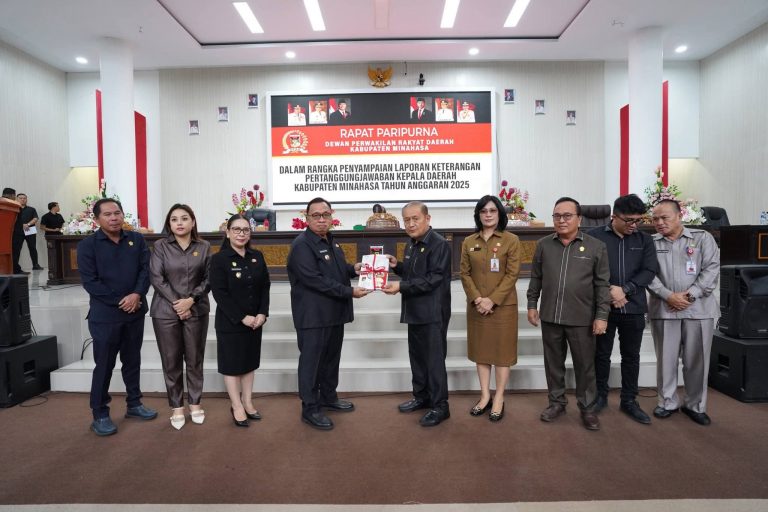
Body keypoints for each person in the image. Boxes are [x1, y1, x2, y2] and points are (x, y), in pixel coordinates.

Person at [526, 197, 610, 431]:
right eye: (557, 216)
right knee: (553, 364)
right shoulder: (544, 245)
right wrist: (532, 304)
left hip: (582, 318)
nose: (561, 220)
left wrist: (602, 315)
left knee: (585, 366)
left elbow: (602, 284)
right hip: (550, 316)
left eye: (567, 216)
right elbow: (536, 278)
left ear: (579, 219)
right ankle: (557, 403)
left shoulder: (596, 246)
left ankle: (587, 408)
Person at [77, 198, 157, 436]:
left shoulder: (136, 239)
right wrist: (122, 301)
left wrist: (136, 294)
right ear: (96, 219)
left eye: (117, 213)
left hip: (135, 312)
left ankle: (134, 404)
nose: (114, 218)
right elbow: (90, 282)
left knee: (132, 361)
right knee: (104, 365)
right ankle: (100, 413)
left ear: (123, 215)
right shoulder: (87, 246)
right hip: (105, 316)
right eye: (107, 214)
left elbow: (146, 270)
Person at [286, 197, 368, 430]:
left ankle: (329, 397)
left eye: (326, 215)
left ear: (332, 216)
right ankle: (310, 408)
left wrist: (353, 269)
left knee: (331, 359)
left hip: (333, 313)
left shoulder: (331, 241)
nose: (322, 219)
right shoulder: (302, 245)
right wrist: (349, 292)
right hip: (313, 317)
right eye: (316, 215)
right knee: (311, 363)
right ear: (307, 218)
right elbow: (316, 280)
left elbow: (335, 270)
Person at [648, 199, 720, 426]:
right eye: (655, 219)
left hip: (699, 310)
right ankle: (667, 402)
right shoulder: (650, 243)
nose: (659, 223)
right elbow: (646, 273)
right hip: (664, 308)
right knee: (666, 360)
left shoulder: (702, 238)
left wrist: (689, 296)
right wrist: (668, 295)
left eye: (664, 218)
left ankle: (695, 405)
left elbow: (711, 269)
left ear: (680, 216)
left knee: (697, 361)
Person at [588, 194, 659, 424]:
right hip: (603, 308)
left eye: (639, 220)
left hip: (634, 306)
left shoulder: (645, 240)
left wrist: (625, 290)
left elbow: (649, 270)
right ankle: (600, 396)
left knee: (631, 356)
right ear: (614, 217)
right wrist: (610, 290)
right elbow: (587, 270)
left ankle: (629, 400)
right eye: (629, 220)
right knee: (601, 354)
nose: (634, 225)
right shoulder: (594, 237)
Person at [382, 202, 452, 427]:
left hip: (432, 312)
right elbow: (414, 273)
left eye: (415, 219)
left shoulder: (439, 244)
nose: (411, 224)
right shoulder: (411, 244)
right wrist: (397, 266)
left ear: (427, 218)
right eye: (407, 220)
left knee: (433, 361)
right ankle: (422, 397)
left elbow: (433, 279)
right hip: (414, 310)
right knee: (418, 357)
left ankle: (440, 406)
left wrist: (400, 287)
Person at [150, 204, 211, 430]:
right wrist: (179, 304)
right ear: (169, 224)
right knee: (171, 361)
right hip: (165, 312)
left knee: (194, 359)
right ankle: (176, 407)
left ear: (192, 222)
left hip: (196, 310)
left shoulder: (204, 246)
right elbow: (157, 278)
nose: (179, 223)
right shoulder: (160, 246)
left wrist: (191, 300)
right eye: (174, 219)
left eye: (184, 218)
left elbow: (209, 278)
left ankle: (195, 404)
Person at [460, 195, 521, 422]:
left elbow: (512, 274)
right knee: (482, 352)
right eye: (483, 211)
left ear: (499, 214)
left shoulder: (511, 240)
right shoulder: (468, 242)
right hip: (477, 307)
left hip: (503, 307)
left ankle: (499, 397)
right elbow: (464, 273)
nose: (488, 215)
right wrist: (478, 299)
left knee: (502, 354)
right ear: (478, 215)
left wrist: (492, 300)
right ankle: (485, 395)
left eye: (492, 211)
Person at [209, 214, 270, 427]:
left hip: (255, 322)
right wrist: (242, 317)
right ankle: (236, 405)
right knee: (232, 366)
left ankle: (247, 401)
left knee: (249, 363)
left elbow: (265, 286)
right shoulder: (219, 259)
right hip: (231, 322)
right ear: (227, 232)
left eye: (245, 230)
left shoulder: (257, 256)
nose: (241, 234)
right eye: (236, 229)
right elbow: (220, 293)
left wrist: (262, 313)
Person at [14, 193, 42, 272]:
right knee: (17, 249)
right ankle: (15, 266)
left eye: (24, 198)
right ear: (17, 199)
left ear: (26, 199)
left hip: (30, 230)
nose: (23, 199)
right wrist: (21, 225)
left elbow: (35, 218)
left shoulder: (31, 209)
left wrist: (28, 224)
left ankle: (35, 265)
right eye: (21, 198)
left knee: (32, 248)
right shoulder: (14, 209)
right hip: (18, 231)